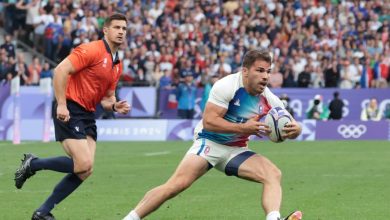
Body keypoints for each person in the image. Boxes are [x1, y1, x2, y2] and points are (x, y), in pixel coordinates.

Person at [122, 49, 303, 220]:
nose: (265, 76)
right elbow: (209, 122)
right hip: (209, 143)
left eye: (268, 71)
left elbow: (288, 127)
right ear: (245, 71)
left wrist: (296, 130)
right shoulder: (227, 86)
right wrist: (244, 128)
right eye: (260, 70)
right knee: (176, 185)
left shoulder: (269, 99)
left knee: (273, 174)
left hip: (236, 150)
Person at [14, 13, 130, 220]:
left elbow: (107, 98)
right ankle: (33, 164)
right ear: (106, 30)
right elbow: (60, 70)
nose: (121, 31)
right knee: (82, 164)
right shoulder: (91, 49)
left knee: (85, 170)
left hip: (87, 113)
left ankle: (42, 212)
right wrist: (61, 104)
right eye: (117, 27)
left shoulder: (117, 64)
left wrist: (114, 106)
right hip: (70, 107)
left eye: (124, 28)